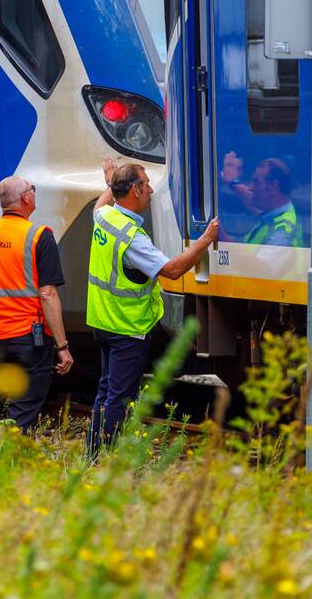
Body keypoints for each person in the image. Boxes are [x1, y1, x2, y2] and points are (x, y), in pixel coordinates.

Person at [86, 159, 219, 454]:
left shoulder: (106, 217)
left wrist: (109, 183)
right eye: (146, 184)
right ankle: (104, 460)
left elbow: (99, 206)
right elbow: (171, 270)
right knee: (119, 399)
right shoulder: (133, 239)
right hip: (127, 329)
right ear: (134, 190)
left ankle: (92, 455)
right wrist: (205, 240)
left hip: (102, 323)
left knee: (105, 393)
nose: (150, 190)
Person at [0, 176, 74, 431]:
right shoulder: (39, 236)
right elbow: (47, 295)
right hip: (30, 341)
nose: (34, 193)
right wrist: (62, 346)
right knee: (23, 412)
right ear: (26, 198)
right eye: (32, 190)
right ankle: (13, 460)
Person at [243, 158, 303, 247]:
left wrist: (220, 235)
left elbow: (258, 261)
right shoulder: (272, 217)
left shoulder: (282, 233)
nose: (250, 188)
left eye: (256, 183)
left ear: (272, 187)